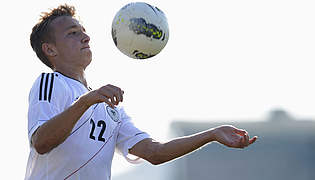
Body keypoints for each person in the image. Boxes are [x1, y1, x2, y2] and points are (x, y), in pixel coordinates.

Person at [25, 4, 258, 180]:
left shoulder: (109, 107)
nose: (85, 37)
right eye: (72, 33)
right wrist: (86, 101)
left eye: (83, 31)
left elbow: (155, 153)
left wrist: (212, 134)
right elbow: (41, 142)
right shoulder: (51, 82)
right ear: (50, 49)